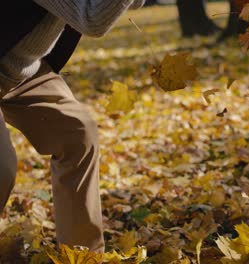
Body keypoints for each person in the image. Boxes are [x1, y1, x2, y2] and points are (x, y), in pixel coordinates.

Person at [0, 0, 146, 253]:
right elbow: (93, 20)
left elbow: (130, 5)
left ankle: (81, 255)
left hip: (21, 71)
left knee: (78, 132)